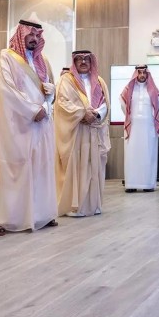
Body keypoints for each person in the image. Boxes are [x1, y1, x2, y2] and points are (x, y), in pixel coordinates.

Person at [0, 20, 59, 236]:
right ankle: (4, 219)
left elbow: (50, 91)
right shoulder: (6, 57)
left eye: (37, 35)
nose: (34, 38)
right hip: (16, 125)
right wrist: (32, 110)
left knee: (39, 168)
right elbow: (5, 89)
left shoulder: (42, 60)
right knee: (13, 168)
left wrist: (49, 99)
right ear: (20, 34)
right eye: (30, 34)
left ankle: (40, 214)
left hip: (41, 124)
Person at [55, 50, 111, 217]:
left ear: (92, 61)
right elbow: (62, 102)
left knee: (94, 167)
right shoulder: (66, 80)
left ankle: (93, 204)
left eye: (87, 59)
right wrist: (82, 113)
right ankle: (74, 206)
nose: (83, 62)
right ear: (74, 62)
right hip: (76, 132)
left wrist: (96, 114)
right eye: (79, 59)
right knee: (76, 167)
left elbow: (106, 103)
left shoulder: (100, 81)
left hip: (94, 130)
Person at [121, 64, 159, 193]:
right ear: (136, 74)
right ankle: (131, 184)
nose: (142, 75)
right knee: (132, 155)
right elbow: (123, 105)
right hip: (133, 127)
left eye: (144, 73)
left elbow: (158, 106)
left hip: (149, 127)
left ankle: (147, 184)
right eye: (139, 72)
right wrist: (133, 118)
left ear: (147, 74)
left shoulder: (154, 90)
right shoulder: (128, 89)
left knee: (148, 154)